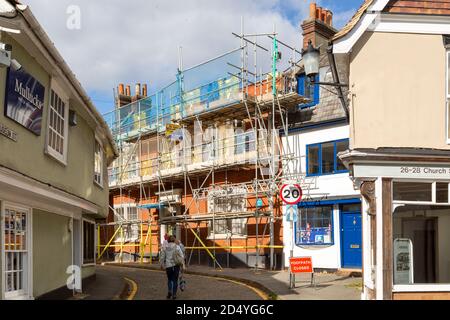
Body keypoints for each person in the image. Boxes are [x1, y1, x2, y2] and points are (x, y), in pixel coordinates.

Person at [160, 235, 184, 299]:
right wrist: (182, 265)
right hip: (176, 266)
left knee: (170, 279)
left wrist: (161, 265)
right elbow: (181, 256)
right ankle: (174, 295)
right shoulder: (177, 247)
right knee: (175, 280)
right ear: (174, 240)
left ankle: (169, 291)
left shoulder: (165, 247)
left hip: (168, 266)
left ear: (168, 240)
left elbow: (162, 257)